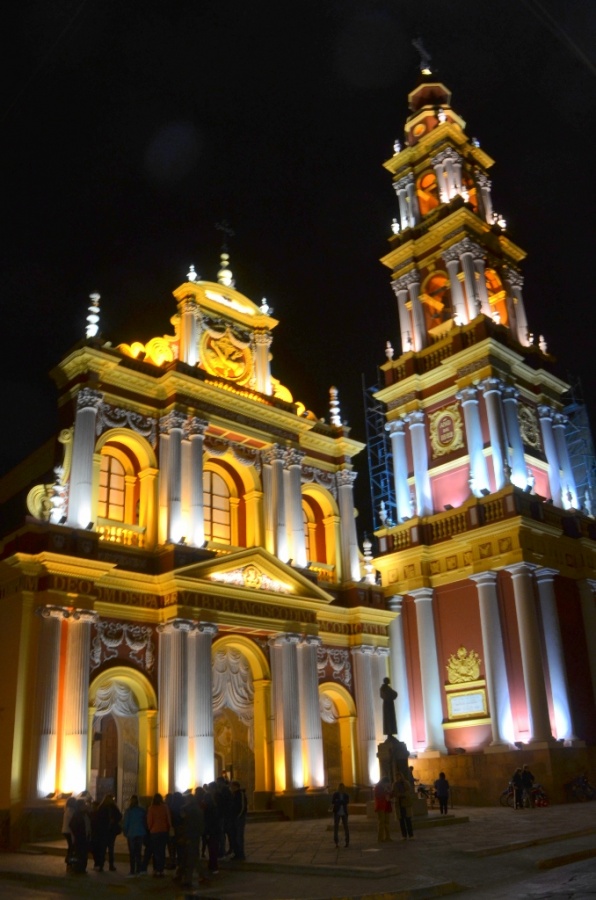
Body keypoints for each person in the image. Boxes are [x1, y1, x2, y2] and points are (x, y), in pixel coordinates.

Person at [92, 794, 122, 872]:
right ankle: (110, 865)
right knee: (110, 849)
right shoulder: (113, 807)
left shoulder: (101, 808)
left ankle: (102, 865)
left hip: (104, 831)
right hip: (110, 831)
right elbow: (119, 816)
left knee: (103, 849)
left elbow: (98, 820)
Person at [147, 792, 172, 876]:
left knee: (156, 851)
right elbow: (168, 819)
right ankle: (161, 869)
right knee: (162, 850)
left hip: (154, 831)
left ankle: (156, 869)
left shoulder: (151, 808)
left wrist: (150, 828)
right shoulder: (165, 807)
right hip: (164, 831)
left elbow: (150, 821)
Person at [122, 795, 147, 877]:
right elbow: (144, 821)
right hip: (140, 833)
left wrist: (125, 832)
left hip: (131, 833)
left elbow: (126, 823)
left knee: (132, 853)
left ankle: (132, 871)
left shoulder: (129, 811)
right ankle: (138, 870)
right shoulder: (142, 811)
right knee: (138, 852)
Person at [229, 780, 248, 860]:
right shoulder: (233, 795)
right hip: (234, 818)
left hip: (239, 819)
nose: (230, 787)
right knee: (234, 836)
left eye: (232, 786)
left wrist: (238, 816)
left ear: (235, 786)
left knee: (239, 837)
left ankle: (241, 854)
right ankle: (236, 854)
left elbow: (242, 806)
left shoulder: (240, 794)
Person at [393, 770, 414, 840]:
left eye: (398, 776)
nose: (397, 778)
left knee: (408, 820)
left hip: (406, 804)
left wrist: (401, 795)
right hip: (399, 805)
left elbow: (408, 791)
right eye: (396, 777)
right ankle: (404, 835)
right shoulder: (395, 784)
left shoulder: (406, 783)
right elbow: (394, 793)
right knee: (401, 821)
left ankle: (411, 835)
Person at [374, 775, 393, 842]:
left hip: (386, 806)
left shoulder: (386, 787)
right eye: (386, 783)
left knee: (387, 822)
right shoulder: (378, 787)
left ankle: (387, 837)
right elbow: (378, 795)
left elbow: (390, 794)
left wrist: (389, 792)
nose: (387, 784)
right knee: (381, 822)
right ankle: (380, 838)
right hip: (381, 806)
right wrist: (385, 792)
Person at [331, 782, 350, 848]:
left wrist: (339, 801)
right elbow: (333, 801)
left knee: (346, 827)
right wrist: (340, 802)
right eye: (340, 787)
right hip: (337, 812)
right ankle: (336, 842)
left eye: (342, 787)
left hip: (344, 812)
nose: (341, 789)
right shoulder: (335, 794)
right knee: (336, 827)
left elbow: (347, 801)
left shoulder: (346, 795)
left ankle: (347, 842)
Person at [61, 796, 77, 866]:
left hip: (65, 830)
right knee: (71, 846)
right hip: (69, 831)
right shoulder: (71, 811)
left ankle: (69, 859)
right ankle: (69, 859)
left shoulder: (67, 810)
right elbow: (72, 822)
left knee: (70, 846)